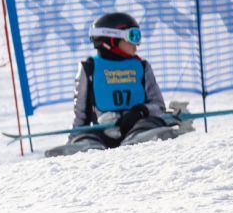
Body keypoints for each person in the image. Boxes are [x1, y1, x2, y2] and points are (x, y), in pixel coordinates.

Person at [45, 12, 185, 157]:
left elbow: (159, 106)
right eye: (132, 36)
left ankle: (140, 139)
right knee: (88, 134)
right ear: (112, 39)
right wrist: (73, 138)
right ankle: (85, 146)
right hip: (104, 129)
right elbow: (81, 115)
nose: (136, 44)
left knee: (149, 124)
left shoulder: (142, 66)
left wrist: (141, 111)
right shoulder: (90, 68)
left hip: (137, 124)